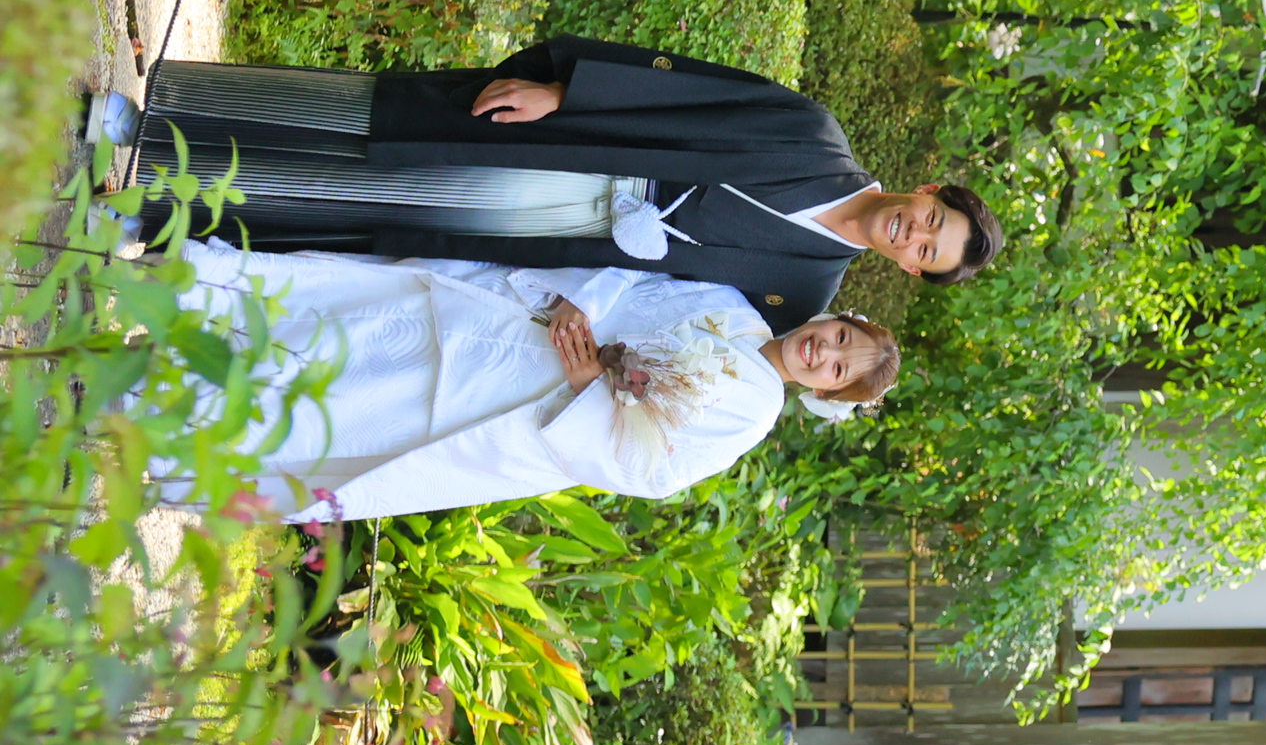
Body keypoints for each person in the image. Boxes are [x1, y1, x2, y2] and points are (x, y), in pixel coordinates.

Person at [92, 36, 1004, 334]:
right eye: (932, 219)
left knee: (369, 209)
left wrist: (579, 311)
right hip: (588, 148)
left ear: (915, 274)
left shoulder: (801, 292)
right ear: (927, 189)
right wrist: (565, 92)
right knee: (380, 127)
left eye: (927, 251)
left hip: (565, 238)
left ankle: (159, 202)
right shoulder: (814, 135)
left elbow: (669, 317)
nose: (913, 234)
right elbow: (691, 88)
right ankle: (162, 115)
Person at [173, 241, 897, 521]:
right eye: (838, 338)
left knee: (363, 409)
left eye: (836, 368)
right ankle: (195, 291)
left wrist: (594, 387)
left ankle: (182, 421)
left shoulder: (751, 414)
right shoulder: (736, 308)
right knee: (364, 315)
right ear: (834, 318)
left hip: (529, 402)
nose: (821, 353)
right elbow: (641, 282)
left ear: (826, 395)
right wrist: (590, 300)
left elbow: (655, 469)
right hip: (527, 328)